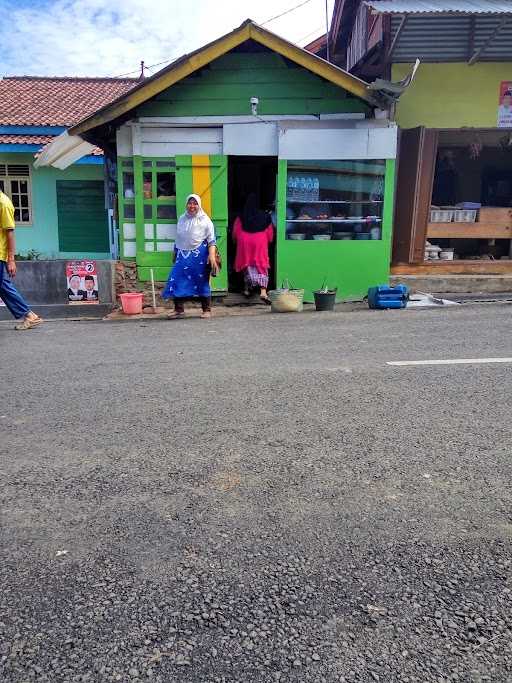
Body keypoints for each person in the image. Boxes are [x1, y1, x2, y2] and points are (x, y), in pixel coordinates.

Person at [162, 193, 218, 319]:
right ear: (186, 204)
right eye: (190, 203)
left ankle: (206, 309)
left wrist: (212, 256)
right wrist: (175, 252)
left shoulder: (205, 220)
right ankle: (178, 309)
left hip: (200, 256)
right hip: (182, 254)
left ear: (199, 205)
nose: (192, 206)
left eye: (195, 203)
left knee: (201, 281)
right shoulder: (182, 218)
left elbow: (211, 240)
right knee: (176, 278)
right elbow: (179, 238)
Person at [0, 189, 43, 330]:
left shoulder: (3, 203)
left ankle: (30, 315)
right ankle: (30, 316)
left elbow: (10, 232)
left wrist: (11, 259)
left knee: (4, 286)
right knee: (3, 286)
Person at [232, 193, 274, 304]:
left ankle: (247, 289)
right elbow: (270, 236)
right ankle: (263, 292)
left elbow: (235, 233)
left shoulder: (241, 216)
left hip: (244, 242)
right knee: (261, 264)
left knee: (247, 264)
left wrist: (235, 241)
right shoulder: (266, 217)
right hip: (260, 242)